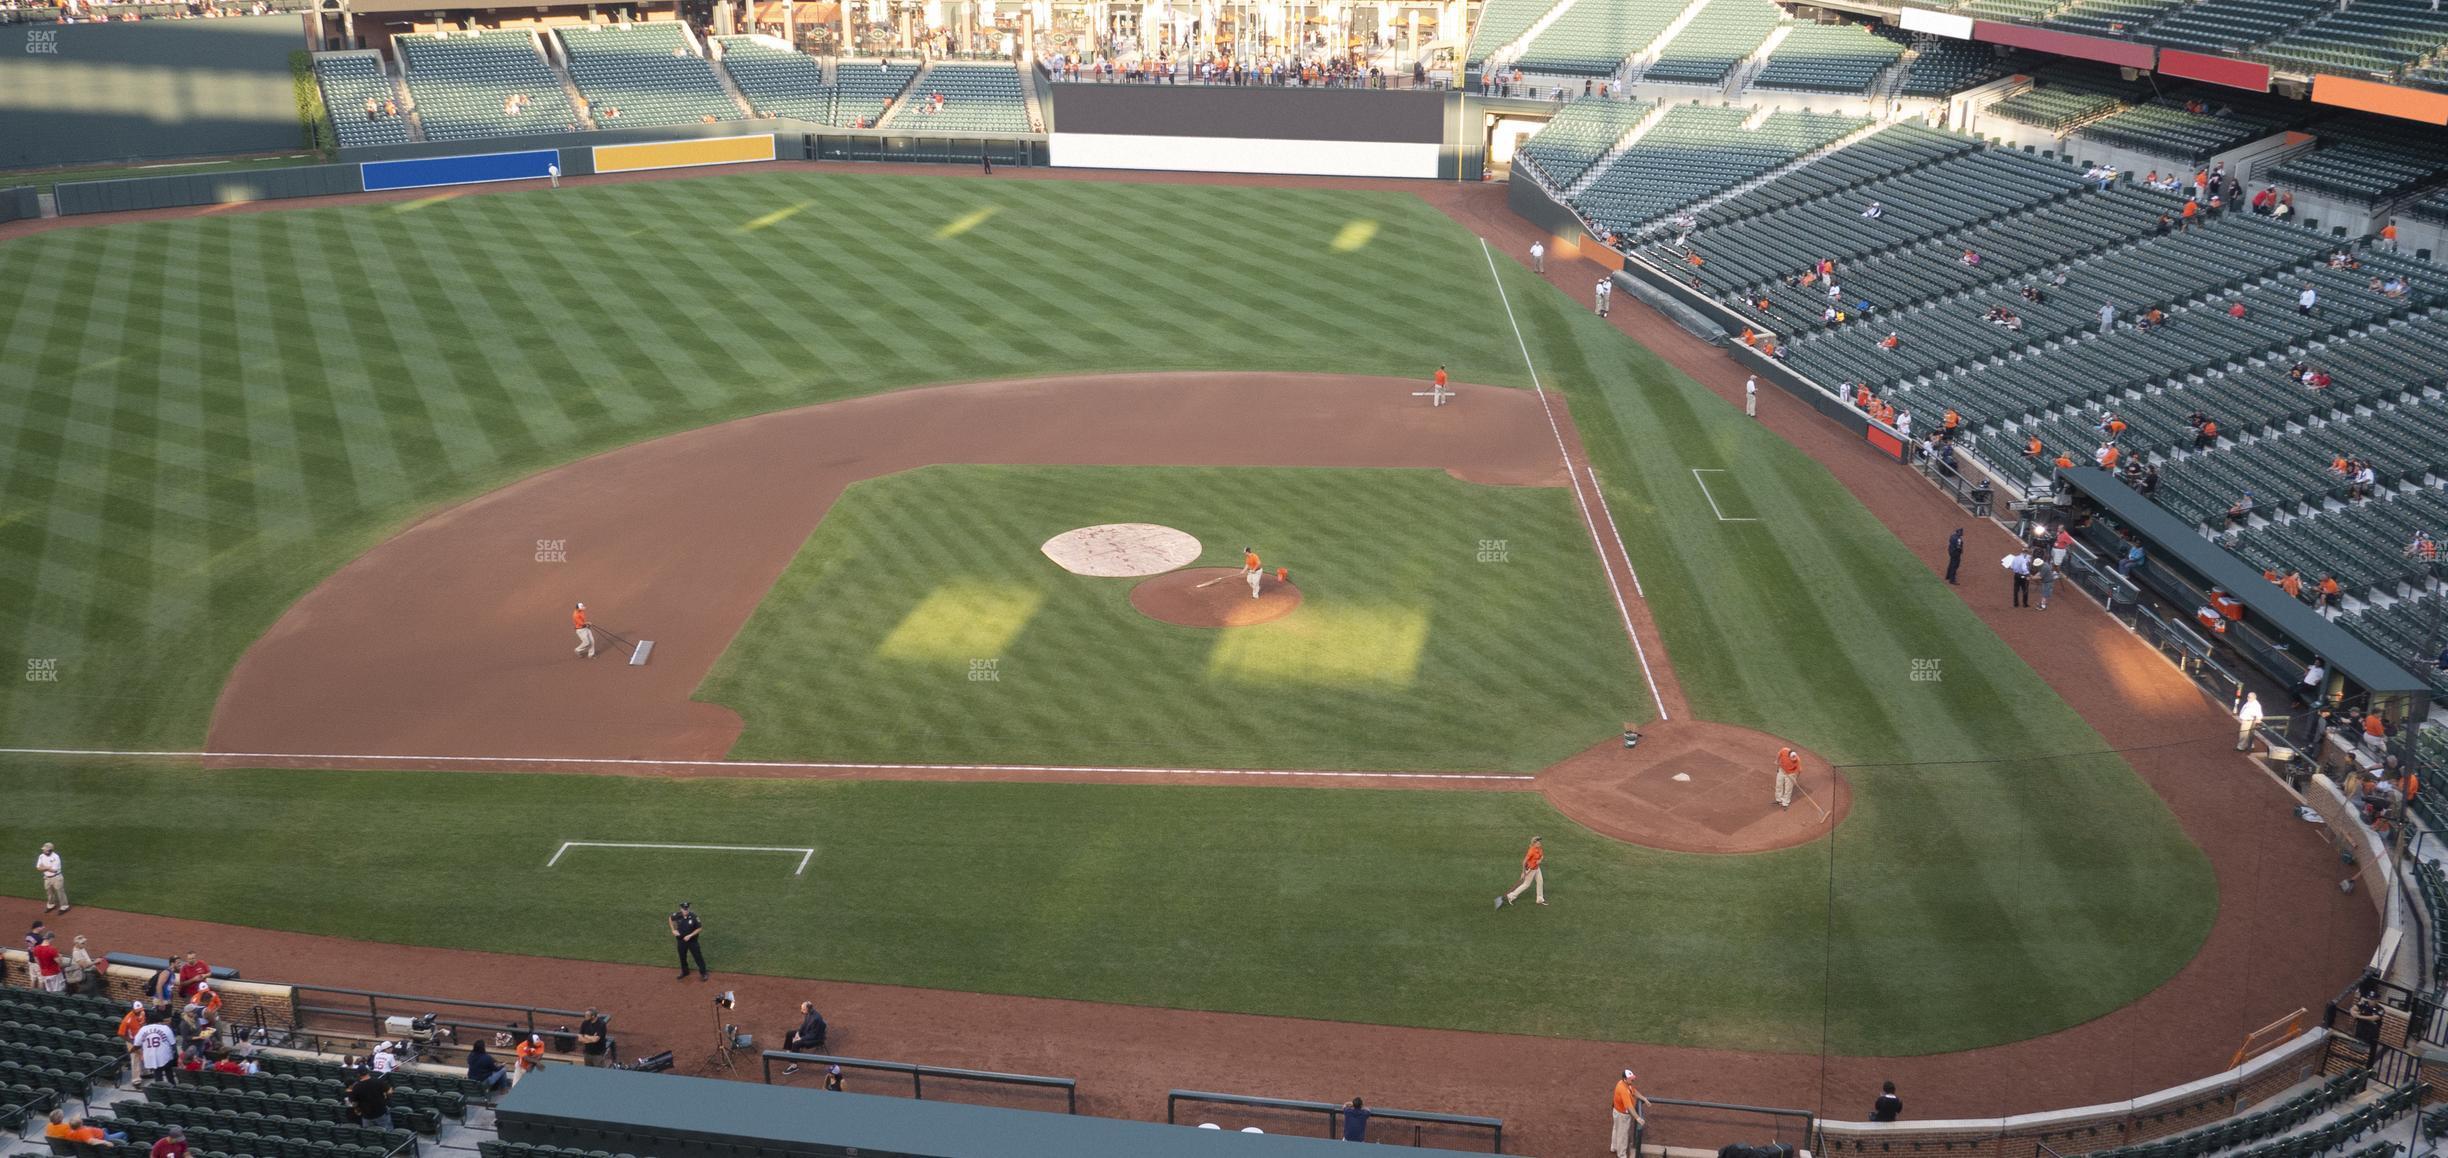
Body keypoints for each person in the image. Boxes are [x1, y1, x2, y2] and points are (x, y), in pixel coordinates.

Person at [1496, 836, 1545, 908]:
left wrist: (1540, 860)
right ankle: (1511, 896)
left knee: (1540, 881)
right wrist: (1523, 872)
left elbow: (1542, 856)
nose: (1540, 843)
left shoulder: (1539, 848)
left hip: (1537, 868)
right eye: (1538, 842)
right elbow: (1524, 862)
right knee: (1526, 884)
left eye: (1539, 841)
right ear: (1534, 843)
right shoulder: (1531, 851)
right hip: (1530, 869)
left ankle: (1539, 899)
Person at [782, 1002, 827, 1072]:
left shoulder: (816, 1018)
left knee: (796, 1043)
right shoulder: (808, 1013)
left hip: (815, 1039)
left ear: (808, 1009)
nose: (801, 1011)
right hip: (808, 1033)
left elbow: (813, 1035)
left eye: (803, 1009)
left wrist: (801, 1038)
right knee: (790, 1033)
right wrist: (798, 1033)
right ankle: (788, 1052)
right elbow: (804, 1025)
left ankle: (794, 1066)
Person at [1610, 1069, 1646, 1158]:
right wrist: (1638, 1118)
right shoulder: (1623, 1090)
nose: (1633, 1080)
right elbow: (1629, 1107)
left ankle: (1614, 1147)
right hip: (1622, 1115)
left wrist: (1644, 1098)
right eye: (1631, 1079)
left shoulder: (1625, 1083)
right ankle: (1621, 1155)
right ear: (1625, 1079)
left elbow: (1634, 1091)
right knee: (1623, 1135)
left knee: (1617, 1129)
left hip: (1617, 1111)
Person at [134, 1015, 178, 1086]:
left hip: (151, 1056)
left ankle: (160, 1091)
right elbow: (173, 1043)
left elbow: (136, 1044)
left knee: (158, 1076)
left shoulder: (143, 1029)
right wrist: (176, 1056)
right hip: (165, 1055)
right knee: (169, 1075)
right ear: (159, 1021)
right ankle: (173, 1088)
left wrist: (140, 1054)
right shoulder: (165, 1028)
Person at [671, 902, 709, 980]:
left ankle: (704, 973)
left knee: (698, 957)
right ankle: (685, 972)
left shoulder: (694, 917)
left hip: (692, 942)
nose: (686, 910)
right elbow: (670, 919)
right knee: (682, 957)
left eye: (687, 909)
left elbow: (699, 928)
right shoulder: (677, 915)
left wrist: (690, 935)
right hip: (681, 941)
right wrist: (673, 930)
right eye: (684, 909)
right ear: (681, 909)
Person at [35, 841, 67, 913]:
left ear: (50, 850)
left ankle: (64, 907)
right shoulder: (41, 856)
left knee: (60, 892)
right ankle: (51, 905)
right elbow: (38, 868)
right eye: (43, 849)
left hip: (57, 878)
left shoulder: (56, 857)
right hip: (46, 878)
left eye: (45, 849)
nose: (43, 850)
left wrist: (44, 867)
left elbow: (54, 870)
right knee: (49, 892)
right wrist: (48, 867)